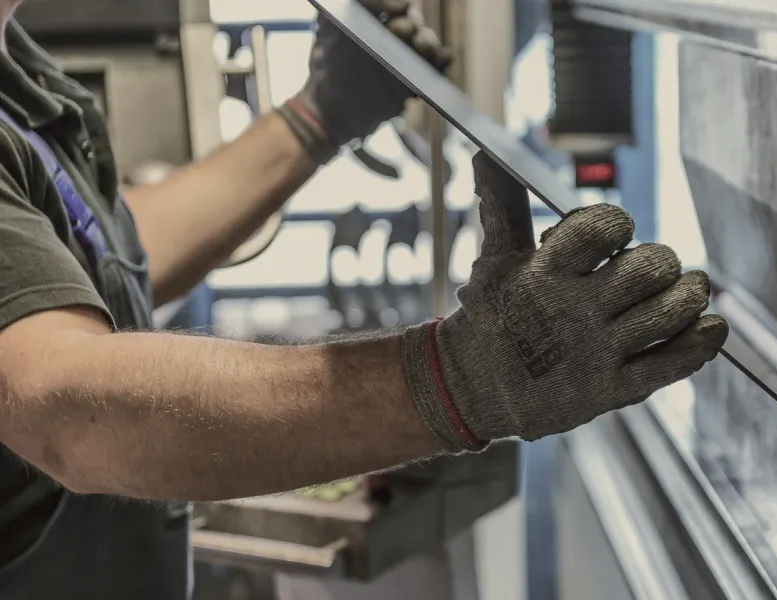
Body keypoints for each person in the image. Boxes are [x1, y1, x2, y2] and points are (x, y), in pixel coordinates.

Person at [0, 0, 728, 597]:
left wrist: (320, 115)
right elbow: (66, 407)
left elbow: (87, 264)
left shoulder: (15, 61)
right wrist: (457, 381)